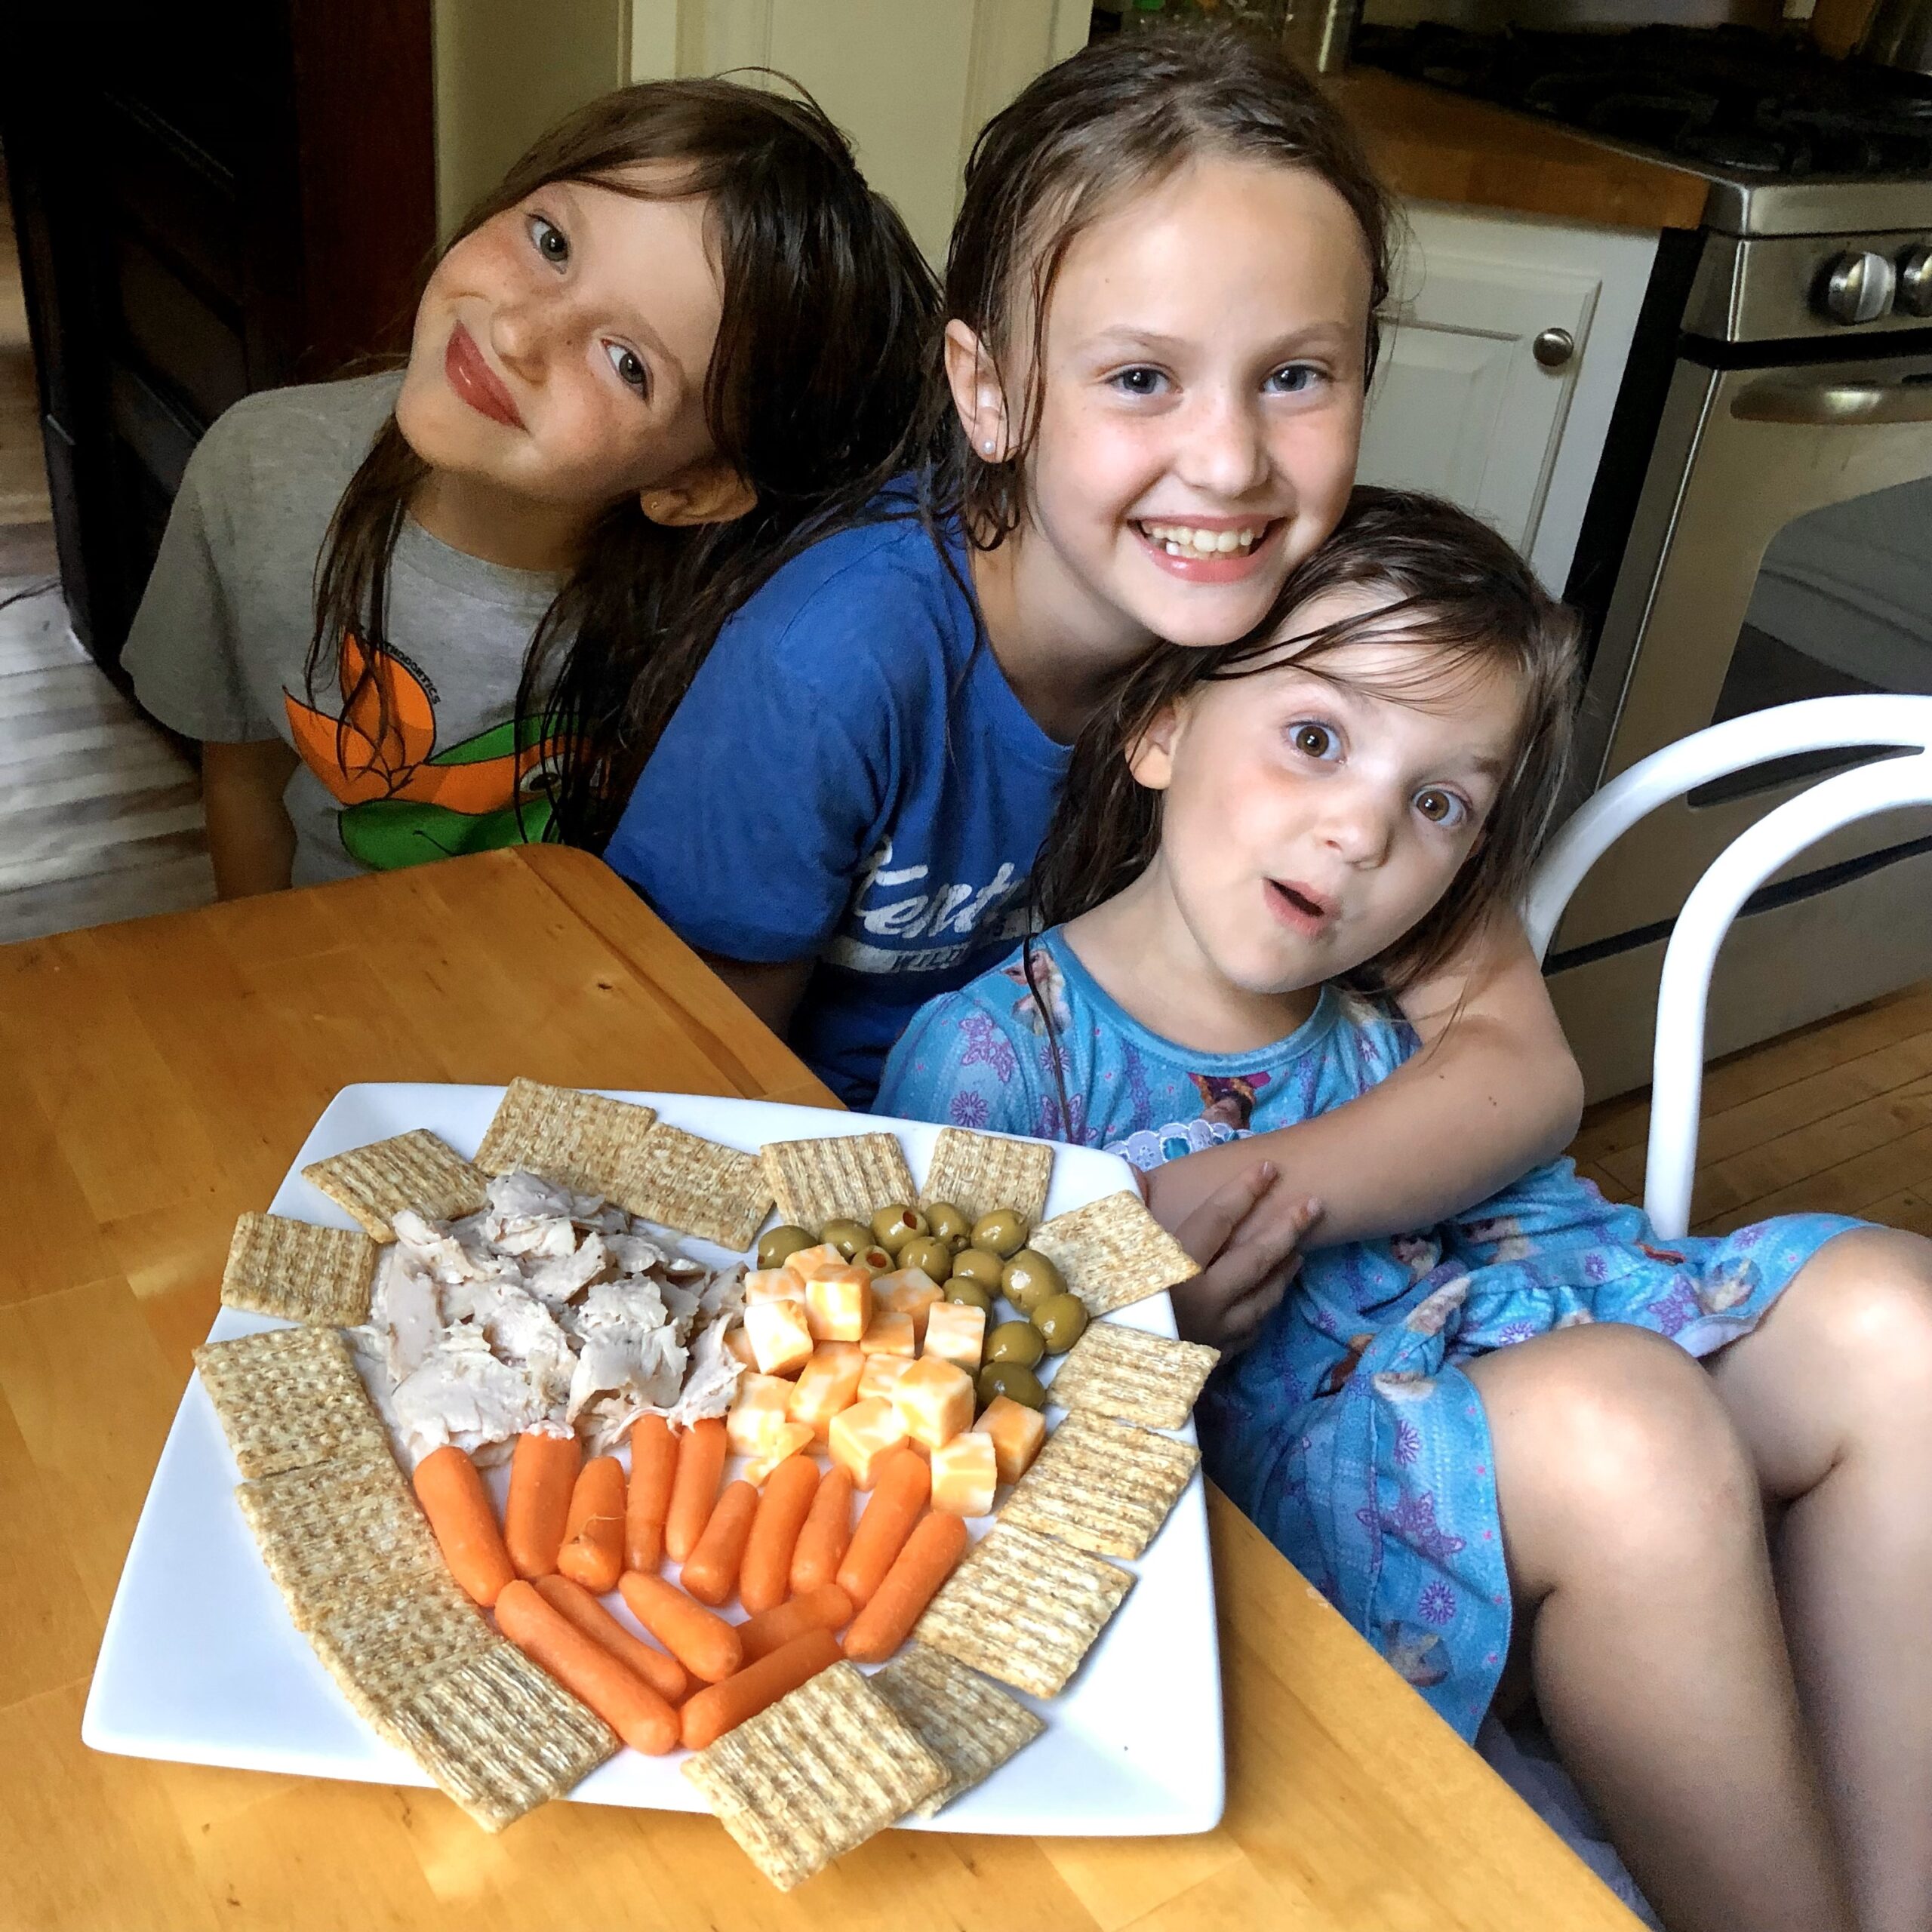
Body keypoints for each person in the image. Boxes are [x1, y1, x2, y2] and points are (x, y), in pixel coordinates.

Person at [877, 488, 1932, 1932]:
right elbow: (927, 1424)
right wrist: (1139, 1317)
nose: (1363, 830)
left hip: (1534, 1323)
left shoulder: (1408, 961)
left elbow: (1526, 1089)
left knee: (1901, 1322)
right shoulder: (998, 1058)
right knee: (1629, 1425)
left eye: (1439, 803)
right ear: (1163, 724)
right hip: (1310, 1485)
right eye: (1316, 739)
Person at [603, 29, 1583, 1272]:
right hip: (880, 1273)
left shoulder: (1325, 625)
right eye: (1139, 377)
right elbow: (700, 1102)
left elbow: (1520, 1067)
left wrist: (1200, 1221)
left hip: (1191, 1236)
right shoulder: (834, 664)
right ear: (990, 391)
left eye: (1294, 375)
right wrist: (1040, 1281)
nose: (1229, 464)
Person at [122, 78, 936, 891]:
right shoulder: (258, 471)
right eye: (551, 242)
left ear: (694, 487)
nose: (517, 332)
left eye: (628, 365)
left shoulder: (747, 636)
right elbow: (243, 779)